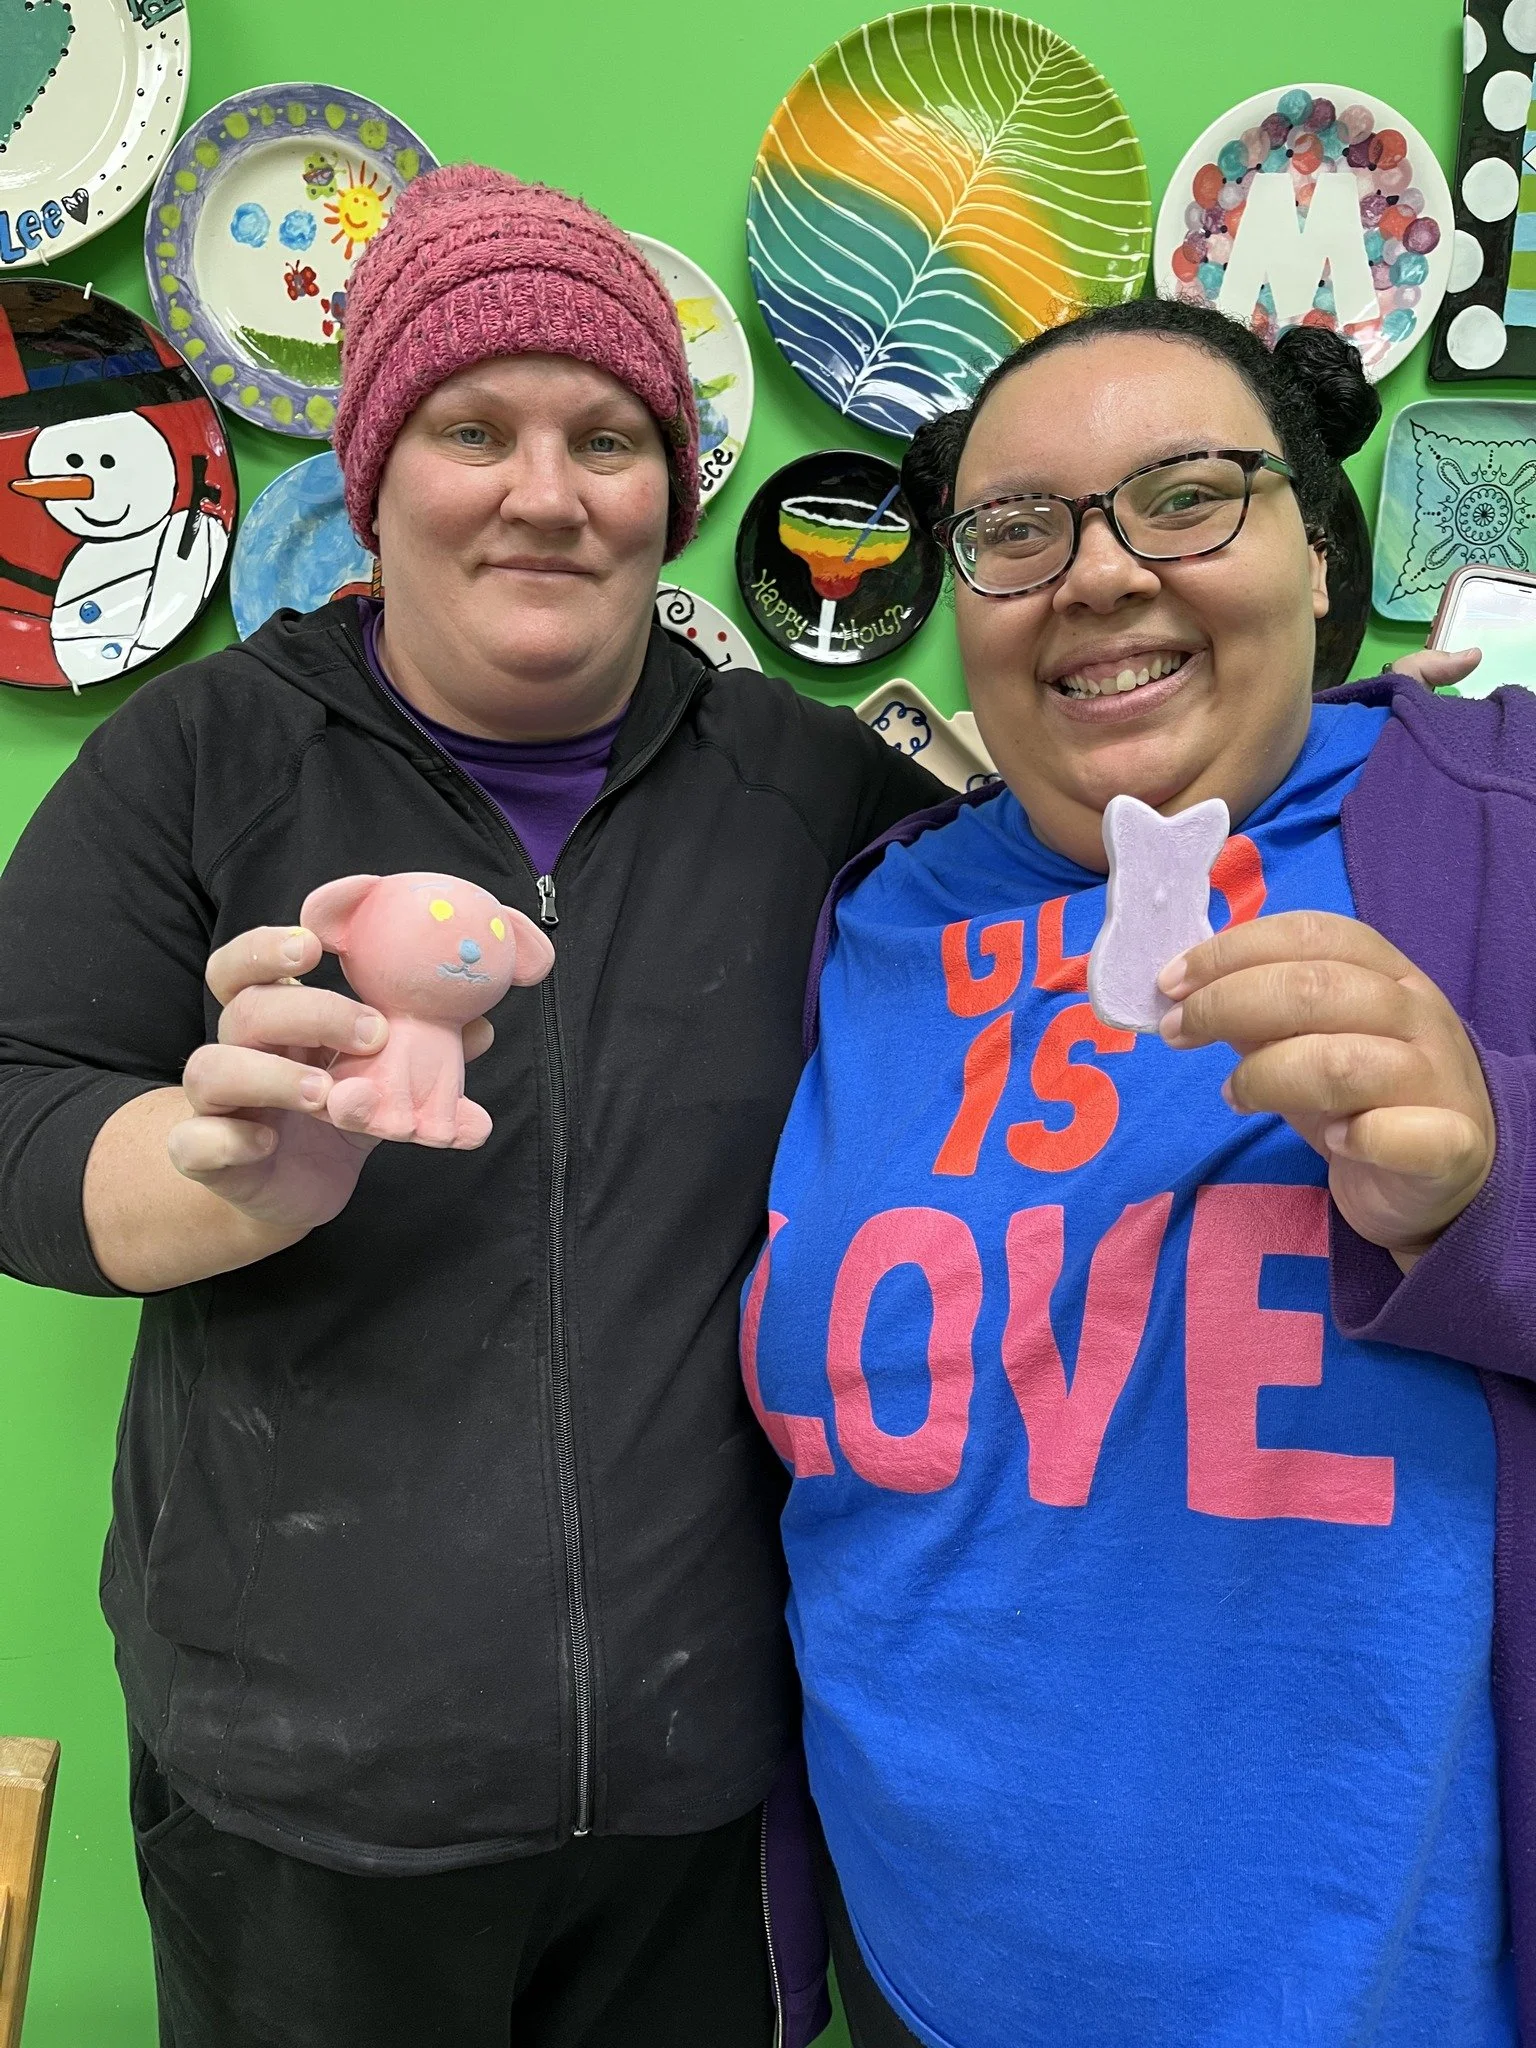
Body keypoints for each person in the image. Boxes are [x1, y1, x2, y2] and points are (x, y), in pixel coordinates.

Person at [0, 165, 943, 2047]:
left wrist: (1391, 759)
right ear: (373, 471)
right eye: (472, 426)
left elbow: (1042, 958)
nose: (544, 490)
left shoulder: (816, 797)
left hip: (705, 1778)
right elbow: (15, 1114)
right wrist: (216, 1179)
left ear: (672, 491)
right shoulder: (197, 760)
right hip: (303, 1799)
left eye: (609, 436)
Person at [743, 296, 1536, 2048]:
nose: (1098, 577)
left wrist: (1493, 1190)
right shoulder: (870, 914)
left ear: (1322, 553)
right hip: (924, 1988)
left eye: (1189, 494)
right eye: (1016, 532)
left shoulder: (1501, 819)